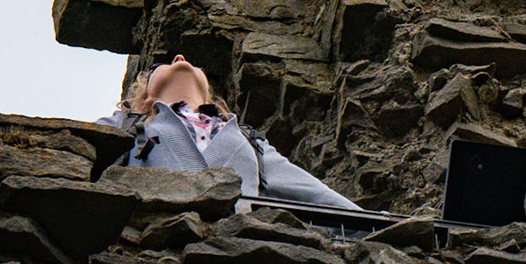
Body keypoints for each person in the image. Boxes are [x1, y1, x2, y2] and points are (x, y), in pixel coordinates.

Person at [98, 53, 363, 212]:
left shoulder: (247, 139)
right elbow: (72, 153)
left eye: (190, 62)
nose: (180, 58)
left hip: (232, 249)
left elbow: (310, 192)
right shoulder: (126, 124)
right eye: (162, 66)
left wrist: (386, 231)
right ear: (146, 98)